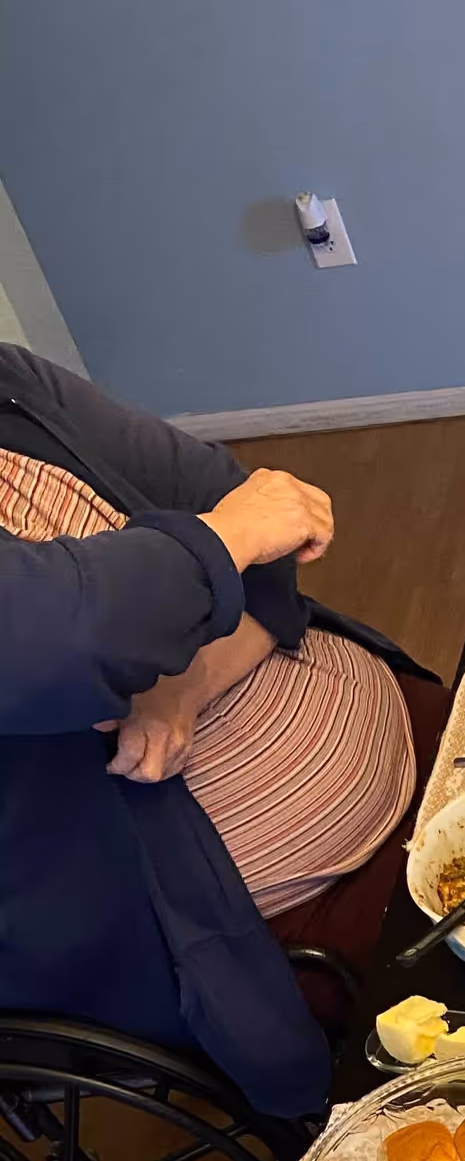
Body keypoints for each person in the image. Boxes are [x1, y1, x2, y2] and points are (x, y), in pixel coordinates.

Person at [0, 348, 431, 1116]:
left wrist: (181, 684)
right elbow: (75, 638)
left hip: (377, 715)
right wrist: (225, 543)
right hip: (223, 904)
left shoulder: (13, 386)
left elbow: (248, 511)